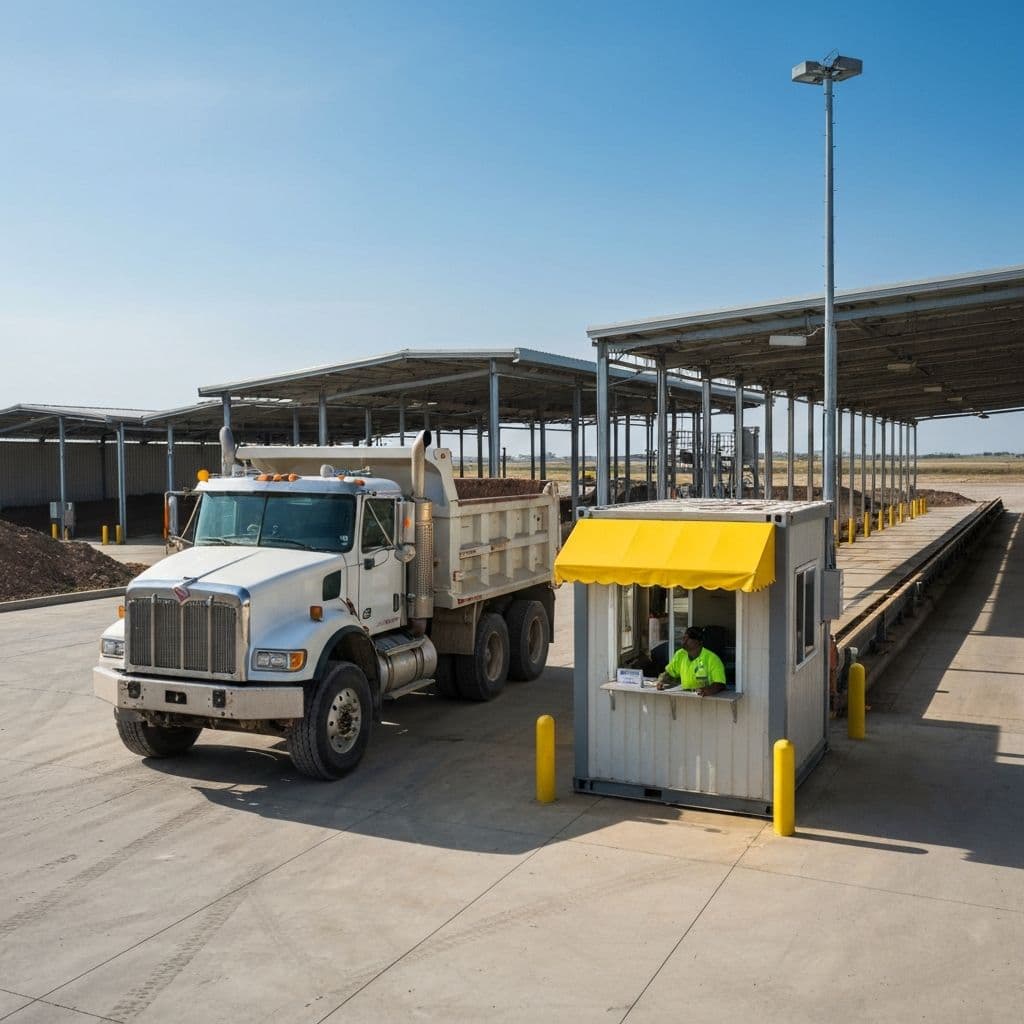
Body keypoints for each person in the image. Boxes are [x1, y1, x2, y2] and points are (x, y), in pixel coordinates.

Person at [656, 627, 727, 695]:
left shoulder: (712, 659)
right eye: (683, 637)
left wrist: (708, 690)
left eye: (688, 637)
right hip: (685, 697)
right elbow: (669, 673)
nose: (684, 640)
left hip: (706, 700)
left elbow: (720, 684)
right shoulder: (680, 654)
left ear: (699, 641)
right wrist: (661, 681)